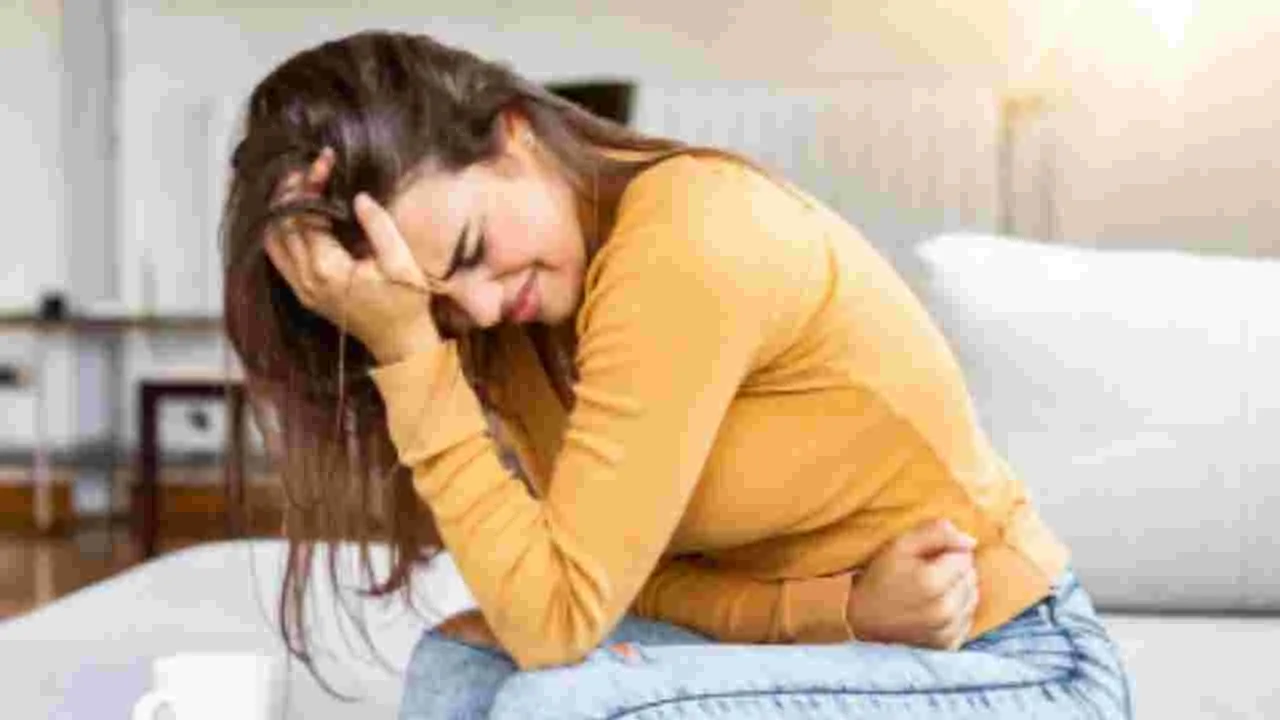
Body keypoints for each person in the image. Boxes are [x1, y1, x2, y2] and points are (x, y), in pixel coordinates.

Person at [222, 30, 1133, 719]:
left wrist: (406, 352)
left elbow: (557, 622)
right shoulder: (517, 321)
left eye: (471, 249)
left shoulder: (688, 241)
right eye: (436, 306)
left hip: (1014, 662)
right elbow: (614, 586)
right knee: (455, 670)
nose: (483, 308)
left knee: (561, 706)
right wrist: (839, 610)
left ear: (513, 135)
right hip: (866, 640)